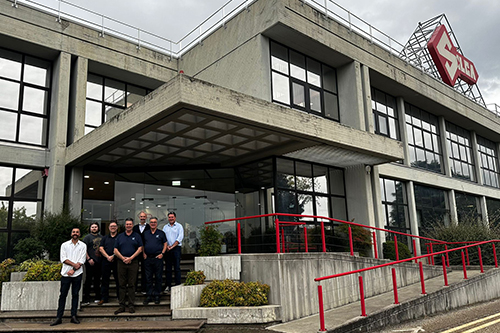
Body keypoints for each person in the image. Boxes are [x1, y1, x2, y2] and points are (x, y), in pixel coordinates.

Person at [50, 228, 86, 326]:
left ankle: (73, 316)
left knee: (75, 295)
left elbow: (82, 260)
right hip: (66, 274)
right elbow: (63, 259)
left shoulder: (83, 245)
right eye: (74, 232)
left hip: (77, 274)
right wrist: (74, 266)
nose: (75, 233)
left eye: (77, 232)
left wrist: (73, 270)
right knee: (63, 295)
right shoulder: (64, 245)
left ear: (79, 234)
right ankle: (59, 317)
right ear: (71, 234)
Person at [113, 218, 143, 315]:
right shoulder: (120, 236)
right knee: (121, 285)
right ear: (125, 225)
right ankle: (121, 306)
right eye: (127, 224)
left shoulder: (137, 236)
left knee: (131, 284)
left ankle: (131, 305)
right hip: (121, 263)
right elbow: (115, 250)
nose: (128, 226)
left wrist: (130, 258)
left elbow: (140, 248)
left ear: (132, 225)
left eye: (130, 224)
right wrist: (123, 258)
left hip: (133, 262)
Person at [142, 216, 167, 305]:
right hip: (148, 258)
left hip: (158, 258)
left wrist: (162, 253)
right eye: (151, 222)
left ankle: (157, 296)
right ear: (149, 223)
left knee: (158, 277)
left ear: (157, 224)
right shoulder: (145, 233)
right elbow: (143, 244)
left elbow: (165, 243)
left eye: (154, 222)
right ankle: (149, 296)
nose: (153, 224)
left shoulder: (161, 233)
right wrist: (144, 253)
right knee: (148, 278)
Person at [98, 220, 119, 305]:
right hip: (106, 261)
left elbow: (121, 248)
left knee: (118, 280)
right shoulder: (105, 238)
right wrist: (108, 257)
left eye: (114, 226)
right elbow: (101, 248)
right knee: (105, 280)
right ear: (109, 228)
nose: (113, 228)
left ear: (117, 227)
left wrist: (113, 256)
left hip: (117, 261)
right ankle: (104, 298)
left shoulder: (120, 237)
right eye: (111, 226)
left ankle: (120, 297)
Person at [162, 212, 184, 294]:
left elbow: (180, 237)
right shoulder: (165, 227)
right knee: (168, 268)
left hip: (176, 248)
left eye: (172, 217)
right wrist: (167, 246)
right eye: (169, 217)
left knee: (177, 267)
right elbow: (163, 237)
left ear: (175, 217)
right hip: (167, 249)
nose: (171, 218)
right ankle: (168, 285)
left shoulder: (179, 226)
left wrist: (172, 246)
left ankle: (178, 284)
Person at [82, 222, 102, 305]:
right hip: (90, 262)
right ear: (90, 228)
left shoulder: (101, 237)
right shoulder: (87, 238)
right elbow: (84, 249)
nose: (94, 228)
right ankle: (86, 298)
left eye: (95, 227)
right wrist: (88, 258)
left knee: (97, 280)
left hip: (99, 262)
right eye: (92, 227)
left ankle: (97, 297)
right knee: (88, 280)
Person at [133, 211, 150, 293]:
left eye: (144, 217)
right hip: (135, 252)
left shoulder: (149, 227)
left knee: (145, 271)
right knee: (134, 271)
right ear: (139, 217)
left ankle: (144, 288)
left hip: (145, 252)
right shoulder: (135, 228)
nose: (142, 218)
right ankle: (134, 289)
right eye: (141, 216)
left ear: (146, 218)